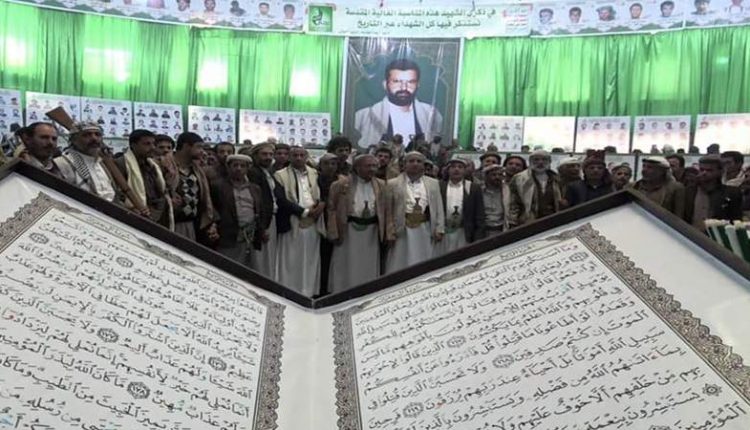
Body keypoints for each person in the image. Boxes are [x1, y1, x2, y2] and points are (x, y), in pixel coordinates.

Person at [327, 154, 391, 292]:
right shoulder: (341, 185)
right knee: (346, 263)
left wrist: (388, 233)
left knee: (368, 265)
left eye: (374, 166)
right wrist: (333, 232)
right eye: (368, 166)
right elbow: (331, 209)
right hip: (348, 231)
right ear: (357, 167)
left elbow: (386, 210)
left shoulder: (381, 185)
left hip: (371, 232)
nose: (372, 169)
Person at [354, 59, 443, 148]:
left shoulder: (431, 114)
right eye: (396, 81)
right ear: (385, 84)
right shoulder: (364, 116)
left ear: (418, 84)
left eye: (410, 82)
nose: (404, 87)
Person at [274, 146, 325, 296]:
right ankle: (289, 290)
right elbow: (281, 200)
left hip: (313, 222)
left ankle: (308, 291)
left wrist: (319, 207)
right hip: (292, 221)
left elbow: (321, 194)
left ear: (307, 157)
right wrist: (304, 212)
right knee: (290, 258)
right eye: (295, 155)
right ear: (290, 157)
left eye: (302, 155)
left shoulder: (314, 173)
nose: (298, 158)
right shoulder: (280, 175)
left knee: (310, 258)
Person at [247, 142, 301, 281]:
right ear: (255, 155)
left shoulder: (268, 172)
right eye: (264, 154)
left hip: (271, 218)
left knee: (269, 259)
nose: (268, 157)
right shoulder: (253, 172)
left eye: (270, 154)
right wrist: (261, 228)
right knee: (260, 260)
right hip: (263, 221)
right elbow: (257, 202)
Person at [385, 151, 444, 274]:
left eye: (419, 161)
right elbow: (388, 210)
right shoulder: (393, 183)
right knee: (400, 261)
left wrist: (440, 228)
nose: (415, 164)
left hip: (424, 227)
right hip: (402, 228)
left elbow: (438, 207)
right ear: (404, 164)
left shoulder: (433, 183)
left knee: (423, 260)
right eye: (411, 161)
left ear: (423, 165)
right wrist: (390, 231)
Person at [113, 129, 173, 229]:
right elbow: (118, 194)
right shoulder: (121, 164)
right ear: (133, 145)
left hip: (157, 216)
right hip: (135, 216)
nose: (152, 147)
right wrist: (132, 208)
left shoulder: (152, 165)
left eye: (153, 144)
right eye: (147, 144)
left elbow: (160, 191)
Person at [211, 154, 263, 266]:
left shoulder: (255, 188)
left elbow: (259, 210)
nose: (239, 168)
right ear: (228, 167)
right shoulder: (218, 186)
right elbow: (212, 208)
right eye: (235, 165)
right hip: (228, 235)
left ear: (247, 168)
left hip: (250, 236)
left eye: (242, 166)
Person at [172, 132, 218, 242]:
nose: (202, 151)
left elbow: (205, 198)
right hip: (173, 222)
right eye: (199, 147)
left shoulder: (197, 170)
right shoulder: (166, 166)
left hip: (193, 223)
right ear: (186, 146)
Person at [55, 121, 116, 202]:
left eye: (97, 134)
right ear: (74, 140)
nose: (94, 138)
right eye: (87, 135)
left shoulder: (102, 163)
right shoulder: (63, 163)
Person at [437, 159, 485, 255]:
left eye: (460, 167)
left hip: (463, 232)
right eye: (453, 167)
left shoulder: (473, 187)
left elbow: (479, 214)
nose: (456, 169)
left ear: (465, 170)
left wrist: (478, 237)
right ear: (448, 170)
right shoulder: (439, 185)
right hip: (443, 232)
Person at [684, 155, 743, 230]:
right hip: (690, 234)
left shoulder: (731, 193)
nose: (704, 173)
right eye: (702, 170)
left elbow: (736, 220)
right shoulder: (689, 191)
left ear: (720, 171)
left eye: (709, 170)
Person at [508, 150, 562, 227]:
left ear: (549, 162)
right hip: (528, 222)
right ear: (530, 162)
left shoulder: (556, 178)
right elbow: (513, 203)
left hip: (552, 221)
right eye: (536, 159)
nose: (540, 162)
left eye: (544, 159)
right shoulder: (519, 178)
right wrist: (512, 221)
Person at [317, 153, 340, 291]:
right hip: (320, 221)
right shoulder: (316, 179)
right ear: (320, 165)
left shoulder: (341, 181)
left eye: (333, 164)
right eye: (326, 164)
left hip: (336, 221)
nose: (330, 167)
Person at [480, 164, 511, 237]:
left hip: (502, 229)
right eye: (493, 175)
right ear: (486, 176)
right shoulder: (479, 190)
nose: (497, 177)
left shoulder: (507, 190)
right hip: (483, 230)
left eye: (500, 175)